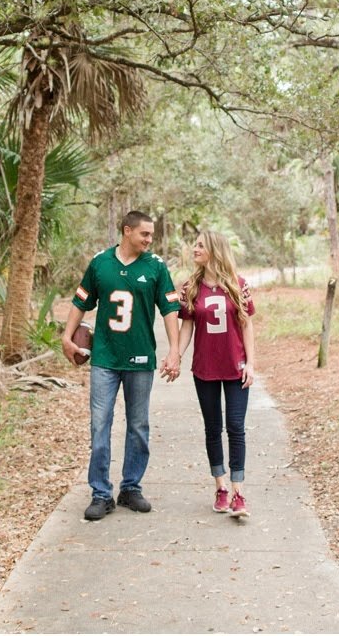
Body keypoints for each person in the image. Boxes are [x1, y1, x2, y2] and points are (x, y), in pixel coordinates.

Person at [62, 211, 181, 521]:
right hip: (104, 358)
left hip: (141, 359)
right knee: (99, 424)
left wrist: (175, 351)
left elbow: (170, 310)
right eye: (144, 234)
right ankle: (101, 493)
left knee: (138, 426)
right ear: (127, 231)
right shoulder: (100, 263)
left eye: (151, 235)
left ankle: (131, 487)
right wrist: (66, 337)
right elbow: (80, 301)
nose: (149, 239)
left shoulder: (155, 267)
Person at [171, 229, 256, 518]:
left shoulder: (238, 285)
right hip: (205, 368)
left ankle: (238, 491)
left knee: (236, 427)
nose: (194, 249)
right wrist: (176, 357)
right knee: (212, 428)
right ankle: (220, 486)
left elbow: (246, 325)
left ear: (214, 250)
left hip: (236, 368)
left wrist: (252, 364)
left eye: (199, 245)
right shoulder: (190, 287)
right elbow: (187, 327)